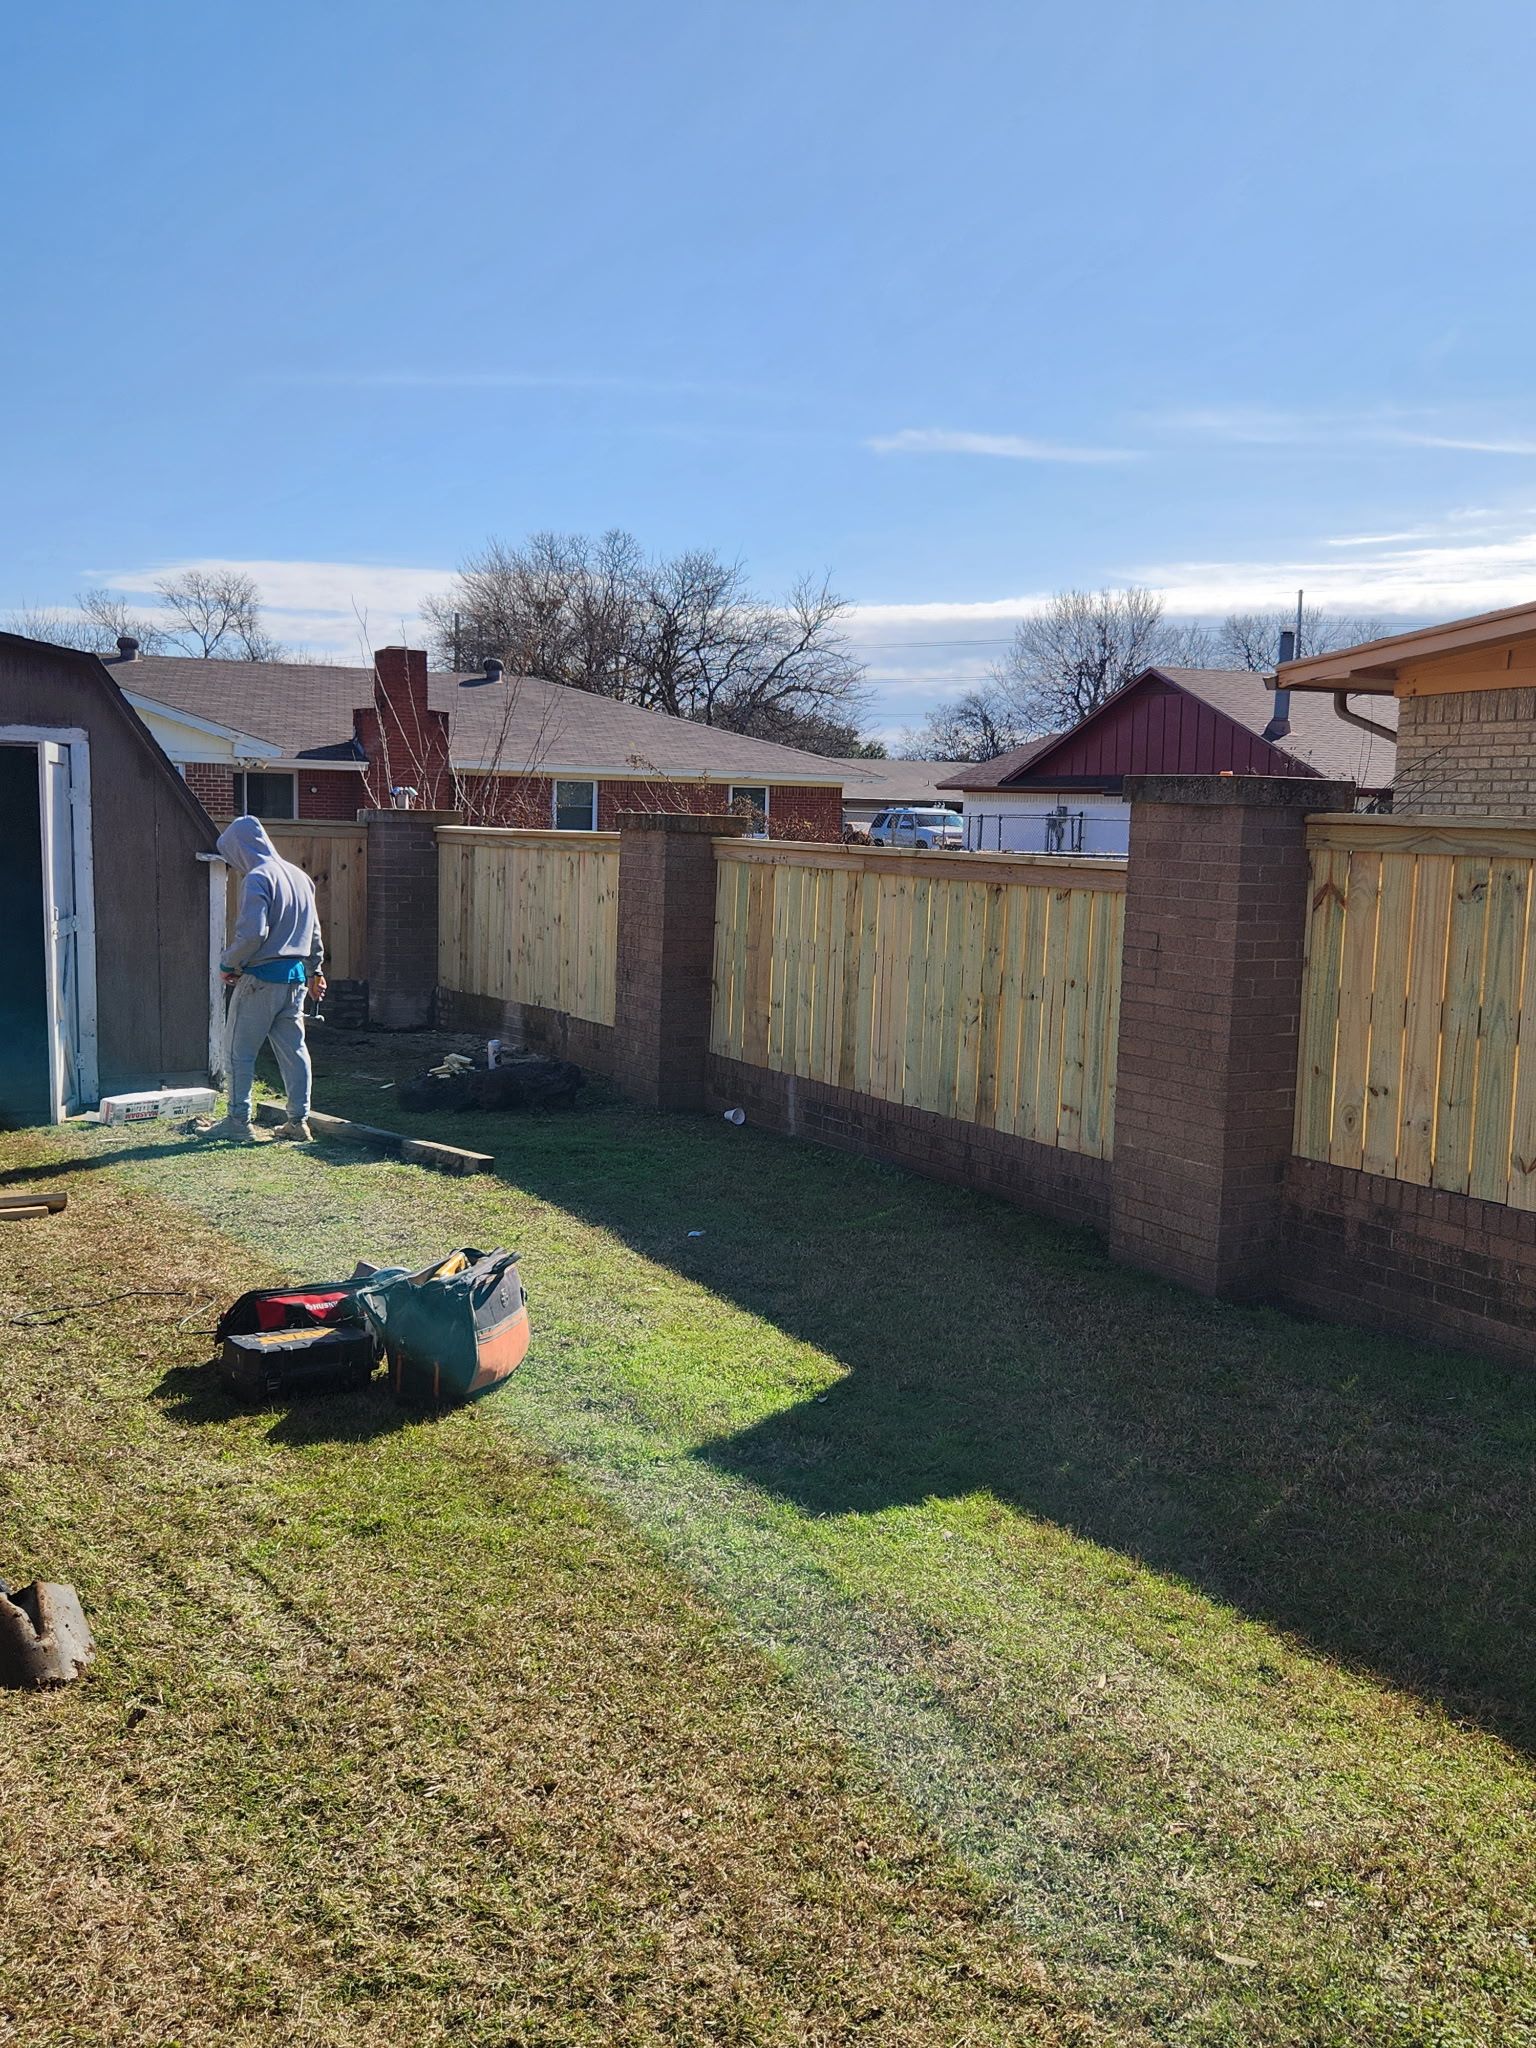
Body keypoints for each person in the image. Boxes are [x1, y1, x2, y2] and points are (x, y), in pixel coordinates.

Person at [200, 816, 327, 1144]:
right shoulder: (300, 877)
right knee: (295, 1052)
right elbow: (313, 934)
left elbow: (254, 933)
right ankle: (298, 1122)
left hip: (260, 981)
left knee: (238, 1052)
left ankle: (238, 1122)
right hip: (296, 981)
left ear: (240, 848)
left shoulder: (258, 877)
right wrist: (317, 971)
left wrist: (228, 962)